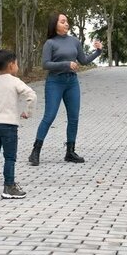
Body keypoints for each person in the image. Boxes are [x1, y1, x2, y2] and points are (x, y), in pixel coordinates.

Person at [28, 12, 103, 166]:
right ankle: (35, 151)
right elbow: (45, 64)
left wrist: (98, 51)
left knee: (74, 118)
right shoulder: (50, 43)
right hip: (55, 82)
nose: (66, 24)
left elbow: (83, 60)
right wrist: (66, 64)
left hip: (72, 83)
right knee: (49, 117)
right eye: (63, 22)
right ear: (55, 24)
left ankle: (70, 152)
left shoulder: (74, 41)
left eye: (67, 21)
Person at [0, 50, 37, 199]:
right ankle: (9, 186)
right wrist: (28, 112)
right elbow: (32, 95)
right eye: (16, 63)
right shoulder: (14, 81)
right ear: (11, 65)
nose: (17, 66)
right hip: (9, 125)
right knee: (10, 157)